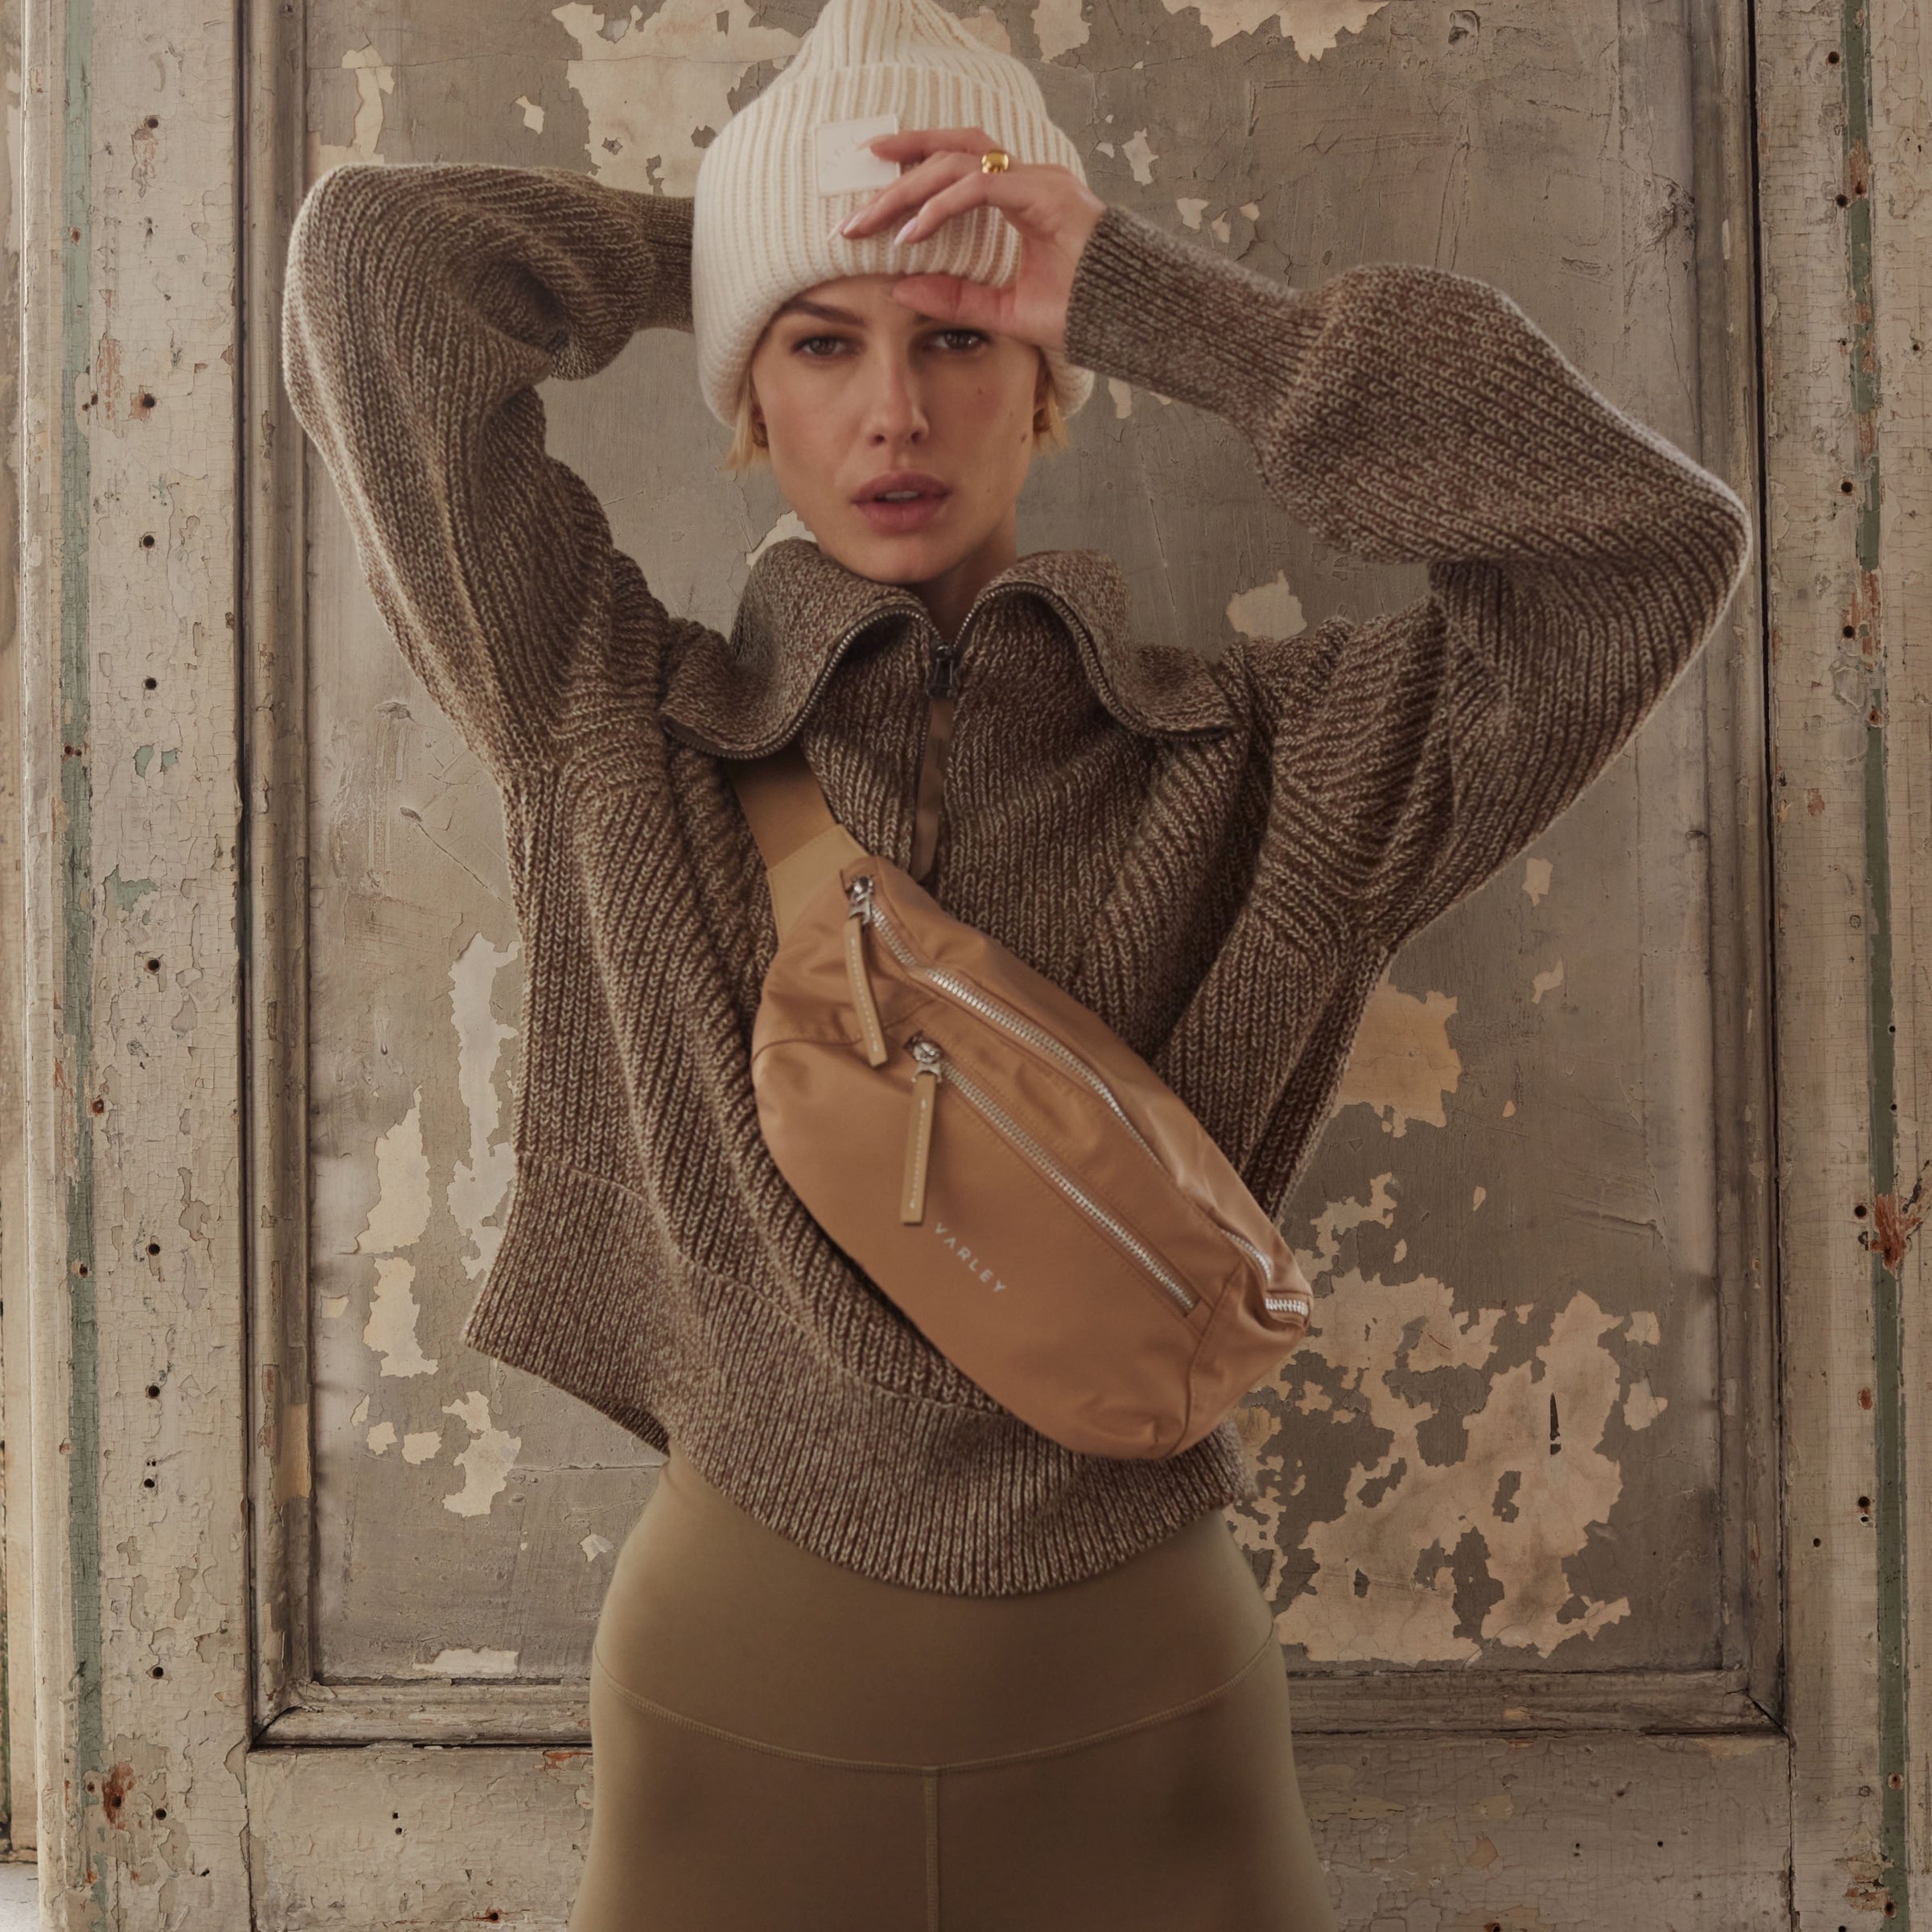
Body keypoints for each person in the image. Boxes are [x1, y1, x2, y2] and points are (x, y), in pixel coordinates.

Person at [281, 0, 1753, 1920]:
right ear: (751, 397)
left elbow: (1646, 548)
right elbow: (375, 267)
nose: (894, 410)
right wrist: (747, 230)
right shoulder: (616, 724)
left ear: (1050, 377)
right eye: (821, 341)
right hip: (735, 1701)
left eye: (960, 333)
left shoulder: (1278, 770)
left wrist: (1137, 287)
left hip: (1144, 1716)